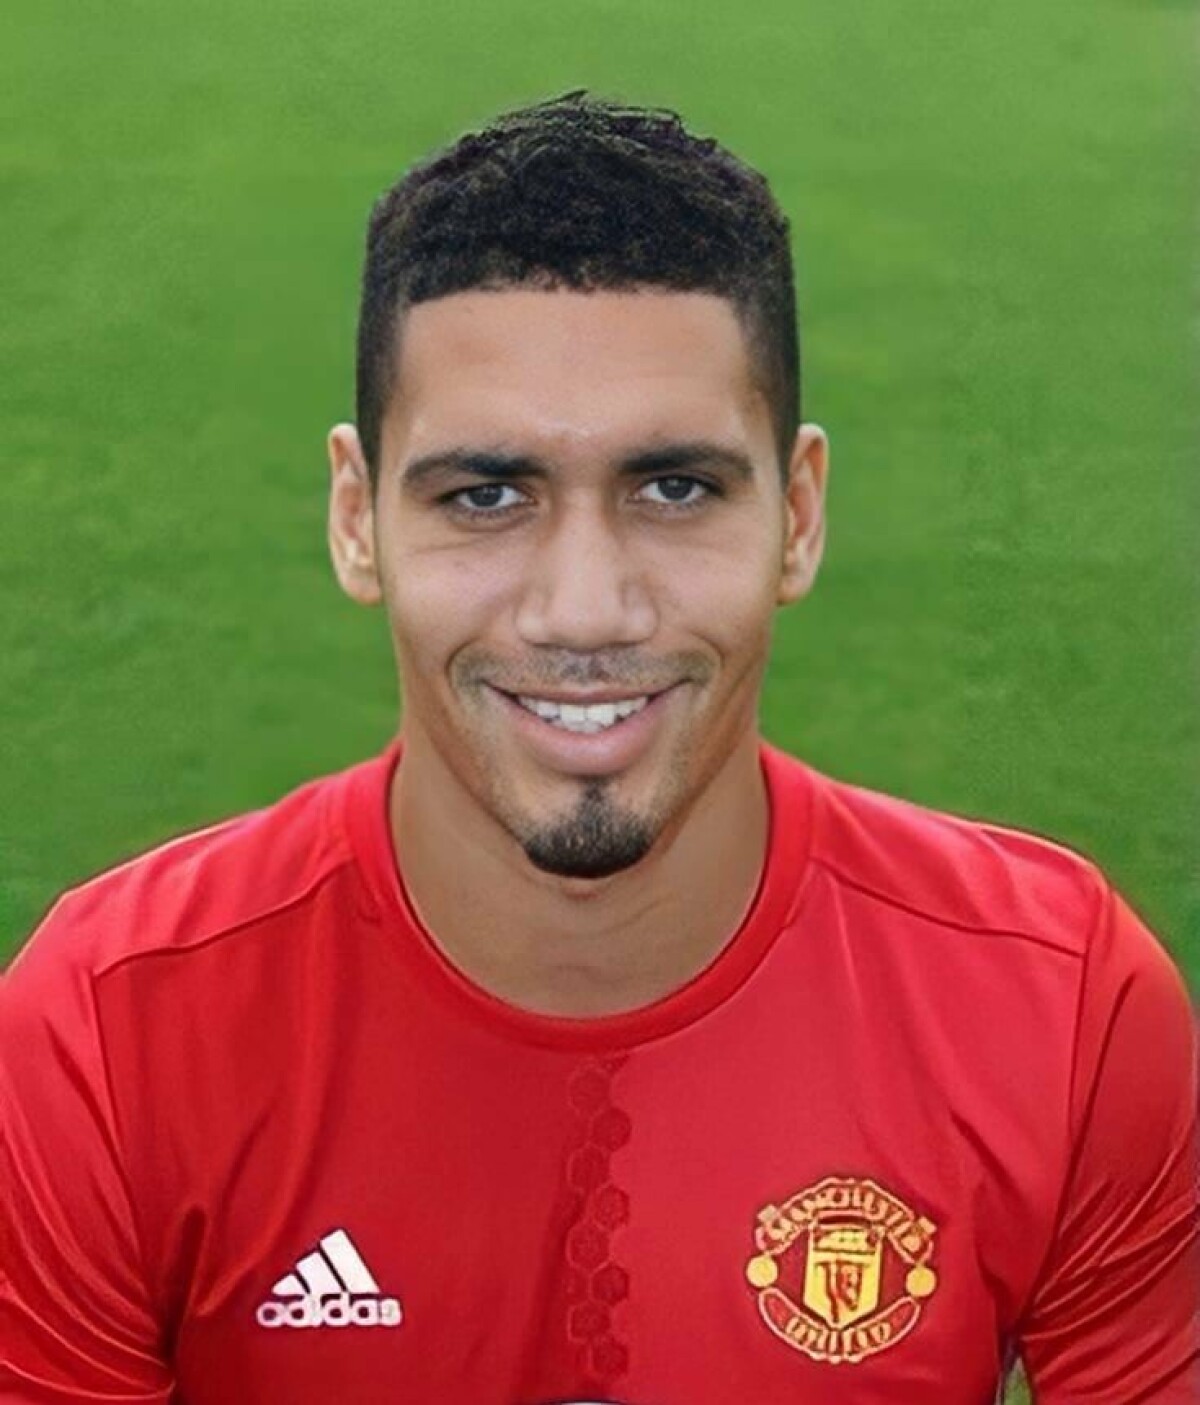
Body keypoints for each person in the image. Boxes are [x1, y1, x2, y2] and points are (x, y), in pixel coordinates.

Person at [1, 91, 1195, 1405]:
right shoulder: (108, 1033)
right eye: (486, 495)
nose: (583, 610)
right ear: (356, 518)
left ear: (799, 516)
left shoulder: (1060, 1007)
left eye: (675, 488)